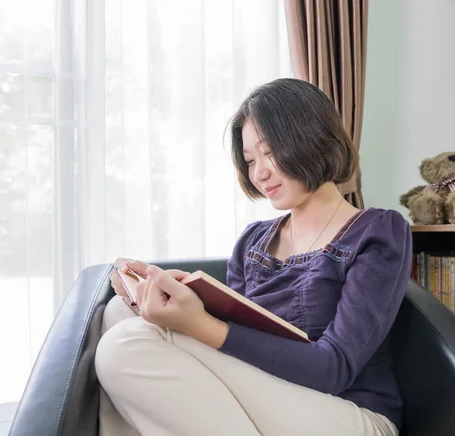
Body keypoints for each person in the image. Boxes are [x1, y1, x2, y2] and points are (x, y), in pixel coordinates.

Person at [94, 78, 413, 436]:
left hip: (349, 413)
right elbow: (241, 343)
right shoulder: (254, 241)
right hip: (268, 398)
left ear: (313, 138)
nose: (259, 173)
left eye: (270, 152)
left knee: (124, 347)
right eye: (250, 160)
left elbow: (333, 368)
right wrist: (166, 296)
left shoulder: (378, 232)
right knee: (119, 314)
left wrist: (196, 324)